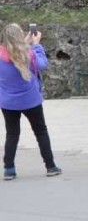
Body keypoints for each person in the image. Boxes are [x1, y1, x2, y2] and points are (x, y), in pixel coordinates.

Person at [0, 23, 61, 180]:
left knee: (12, 134)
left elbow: (12, 53)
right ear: (19, 36)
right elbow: (42, 64)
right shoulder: (29, 53)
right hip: (31, 100)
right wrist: (36, 45)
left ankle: (9, 169)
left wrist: (25, 44)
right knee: (41, 131)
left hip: (8, 102)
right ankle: (50, 166)